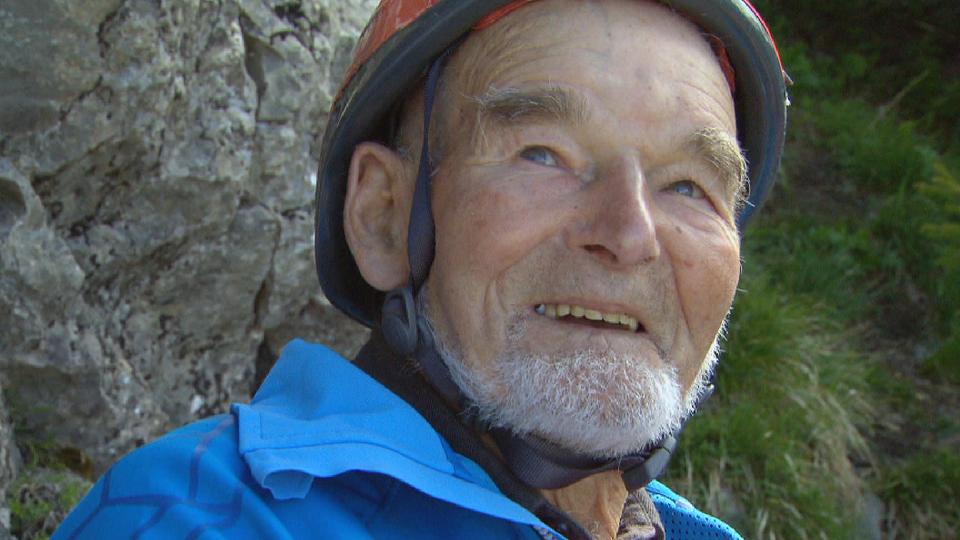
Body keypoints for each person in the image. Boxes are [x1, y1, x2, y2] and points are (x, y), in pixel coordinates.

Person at [55, 0, 788, 538]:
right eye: (544, 155)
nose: (631, 235)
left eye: (691, 187)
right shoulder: (201, 517)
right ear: (383, 216)